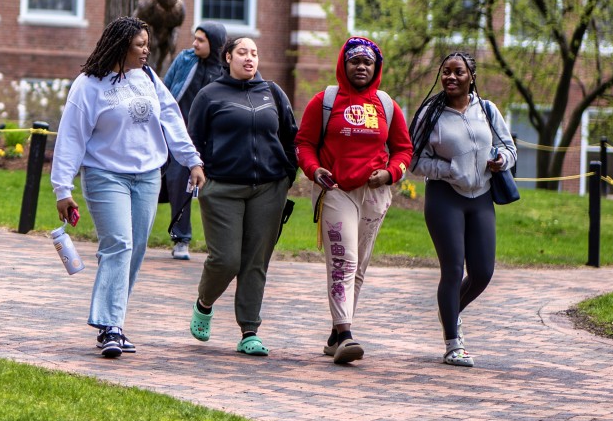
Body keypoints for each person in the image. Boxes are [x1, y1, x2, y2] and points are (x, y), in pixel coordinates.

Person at [52, 16, 205, 359]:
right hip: (106, 175)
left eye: (146, 44)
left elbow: (171, 120)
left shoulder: (149, 78)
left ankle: (115, 322)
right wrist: (62, 188)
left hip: (149, 176)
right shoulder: (88, 85)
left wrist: (192, 161)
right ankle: (109, 326)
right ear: (121, 47)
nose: (146, 50)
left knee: (134, 248)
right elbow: (71, 137)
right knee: (119, 243)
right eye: (140, 45)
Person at [296, 35, 413, 365]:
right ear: (343, 65)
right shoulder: (325, 101)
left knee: (358, 267)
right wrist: (313, 169)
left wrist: (391, 173)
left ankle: (336, 333)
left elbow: (404, 149)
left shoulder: (387, 105)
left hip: (375, 193)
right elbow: (303, 143)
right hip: (336, 190)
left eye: (367, 63)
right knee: (343, 260)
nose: (361, 67)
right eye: (354, 61)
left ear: (376, 68)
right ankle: (346, 334)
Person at [185, 35, 298, 357]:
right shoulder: (209, 95)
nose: (250, 58)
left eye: (255, 53)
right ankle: (204, 303)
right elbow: (193, 140)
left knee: (255, 262)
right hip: (222, 188)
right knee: (226, 259)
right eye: (243, 53)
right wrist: (199, 172)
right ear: (228, 57)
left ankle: (250, 331)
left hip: (269, 188)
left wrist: (288, 174)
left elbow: (291, 135)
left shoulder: (272, 93)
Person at [409, 51, 516, 368]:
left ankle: (449, 312)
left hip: (481, 195)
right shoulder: (431, 113)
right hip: (445, 197)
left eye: (458, 72)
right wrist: (450, 169)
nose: (451, 77)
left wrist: (501, 161)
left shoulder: (487, 110)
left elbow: (509, 149)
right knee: (453, 270)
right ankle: (453, 343)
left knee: (483, 272)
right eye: (445, 72)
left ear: (472, 76)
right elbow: (415, 161)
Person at [160, 22, 228, 259]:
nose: (194, 44)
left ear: (216, 44)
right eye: (195, 38)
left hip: (212, 140)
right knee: (178, 181)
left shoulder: (225, 70)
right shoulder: (185, 59)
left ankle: (221, 246)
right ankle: (181, 239)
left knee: (216, 192)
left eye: (201, 40)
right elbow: (165, 89)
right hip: (181, 136)